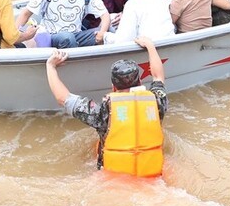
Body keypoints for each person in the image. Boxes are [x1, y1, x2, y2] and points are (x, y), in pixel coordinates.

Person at [46, 36, 167, 176]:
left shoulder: (104, 111)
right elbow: (158, 77)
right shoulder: (157, 101)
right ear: (140, 82)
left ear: (113, 87)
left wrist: (51, 66)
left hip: (114, 180)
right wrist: (150, 46)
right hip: (153, 177)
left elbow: (63, 99)